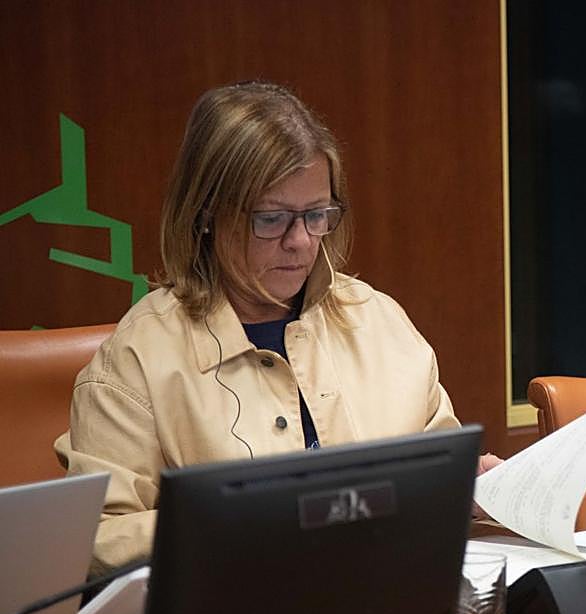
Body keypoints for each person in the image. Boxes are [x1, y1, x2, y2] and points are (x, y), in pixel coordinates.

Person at [55, 81, 499, 577]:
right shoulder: (138, 358)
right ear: (206, 215)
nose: (300, 242)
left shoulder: (377, 320)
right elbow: (96, 544)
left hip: (390, 599)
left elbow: (438, 464)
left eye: (316, 215)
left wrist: (471, 483)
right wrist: (237, 521)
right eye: (270, 219)